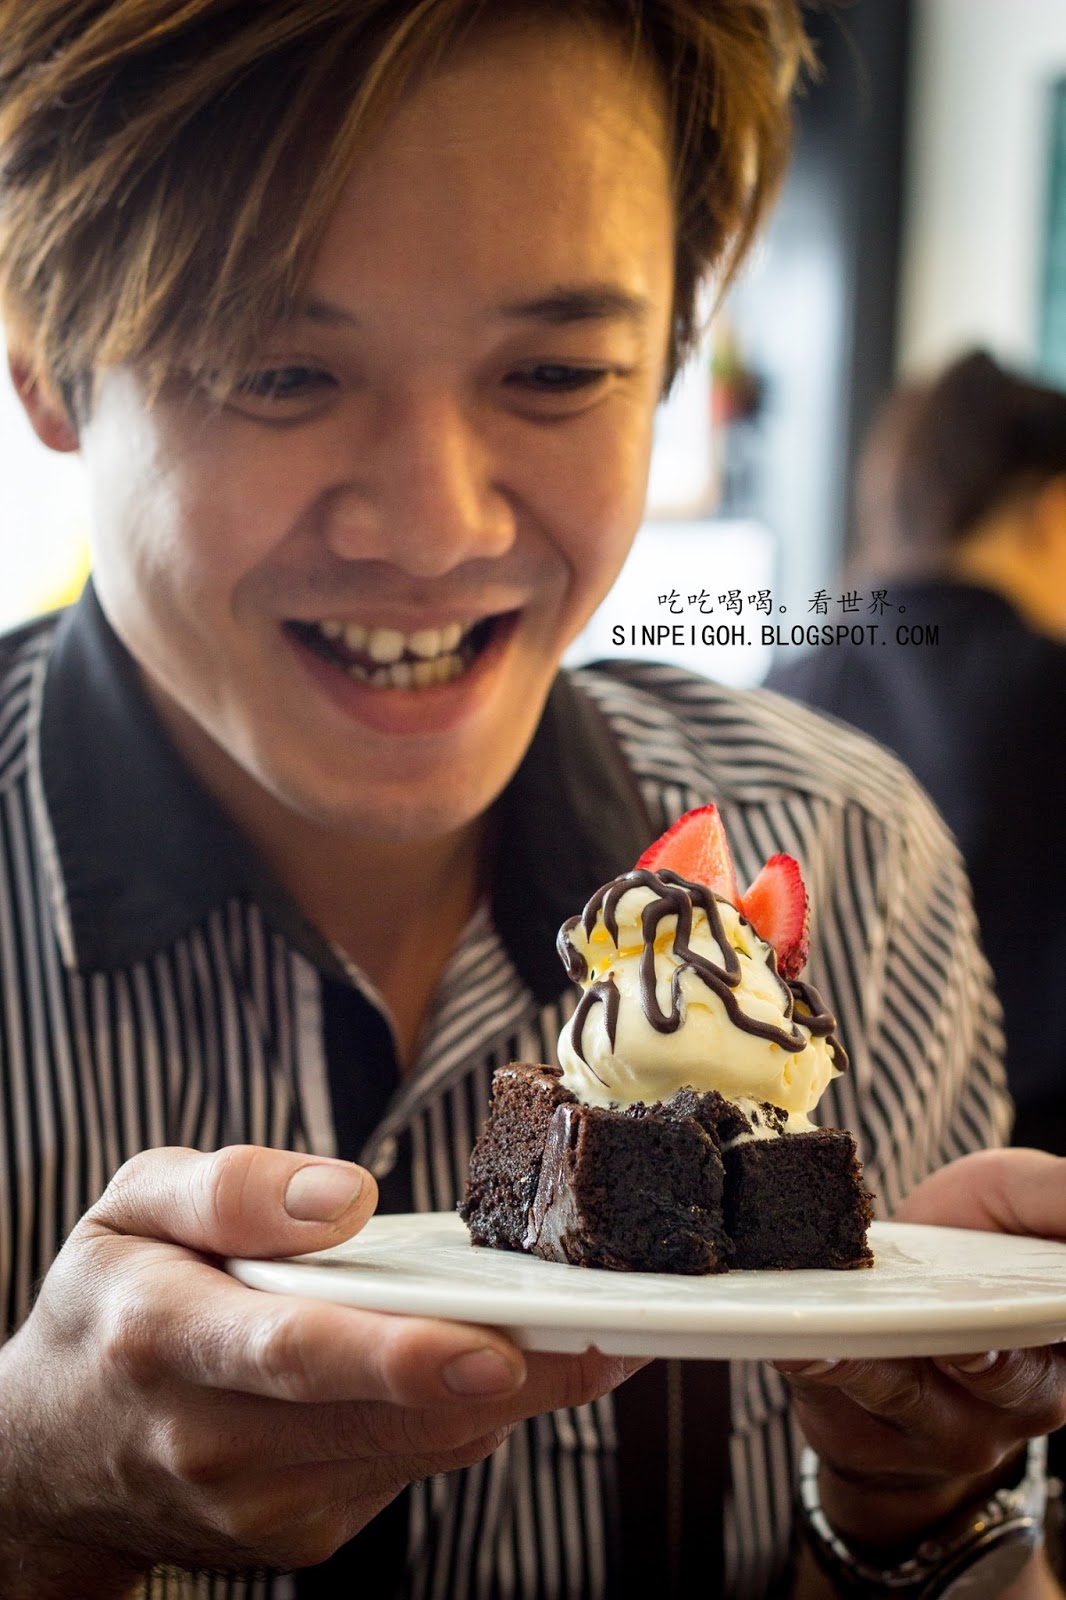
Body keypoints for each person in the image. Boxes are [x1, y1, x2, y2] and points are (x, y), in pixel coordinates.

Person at [0, 6, 1062, 1599]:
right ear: (46, 357)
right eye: (281, 371)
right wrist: (27, 1504)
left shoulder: (851, 855)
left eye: (557, 372)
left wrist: (916, 1504)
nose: (435, 527)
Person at [766, 351, 1066, 1158]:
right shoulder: (1050, 687)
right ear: (1053, 512)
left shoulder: (782, 687)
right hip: (1024, 1189)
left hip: (785, 1168)